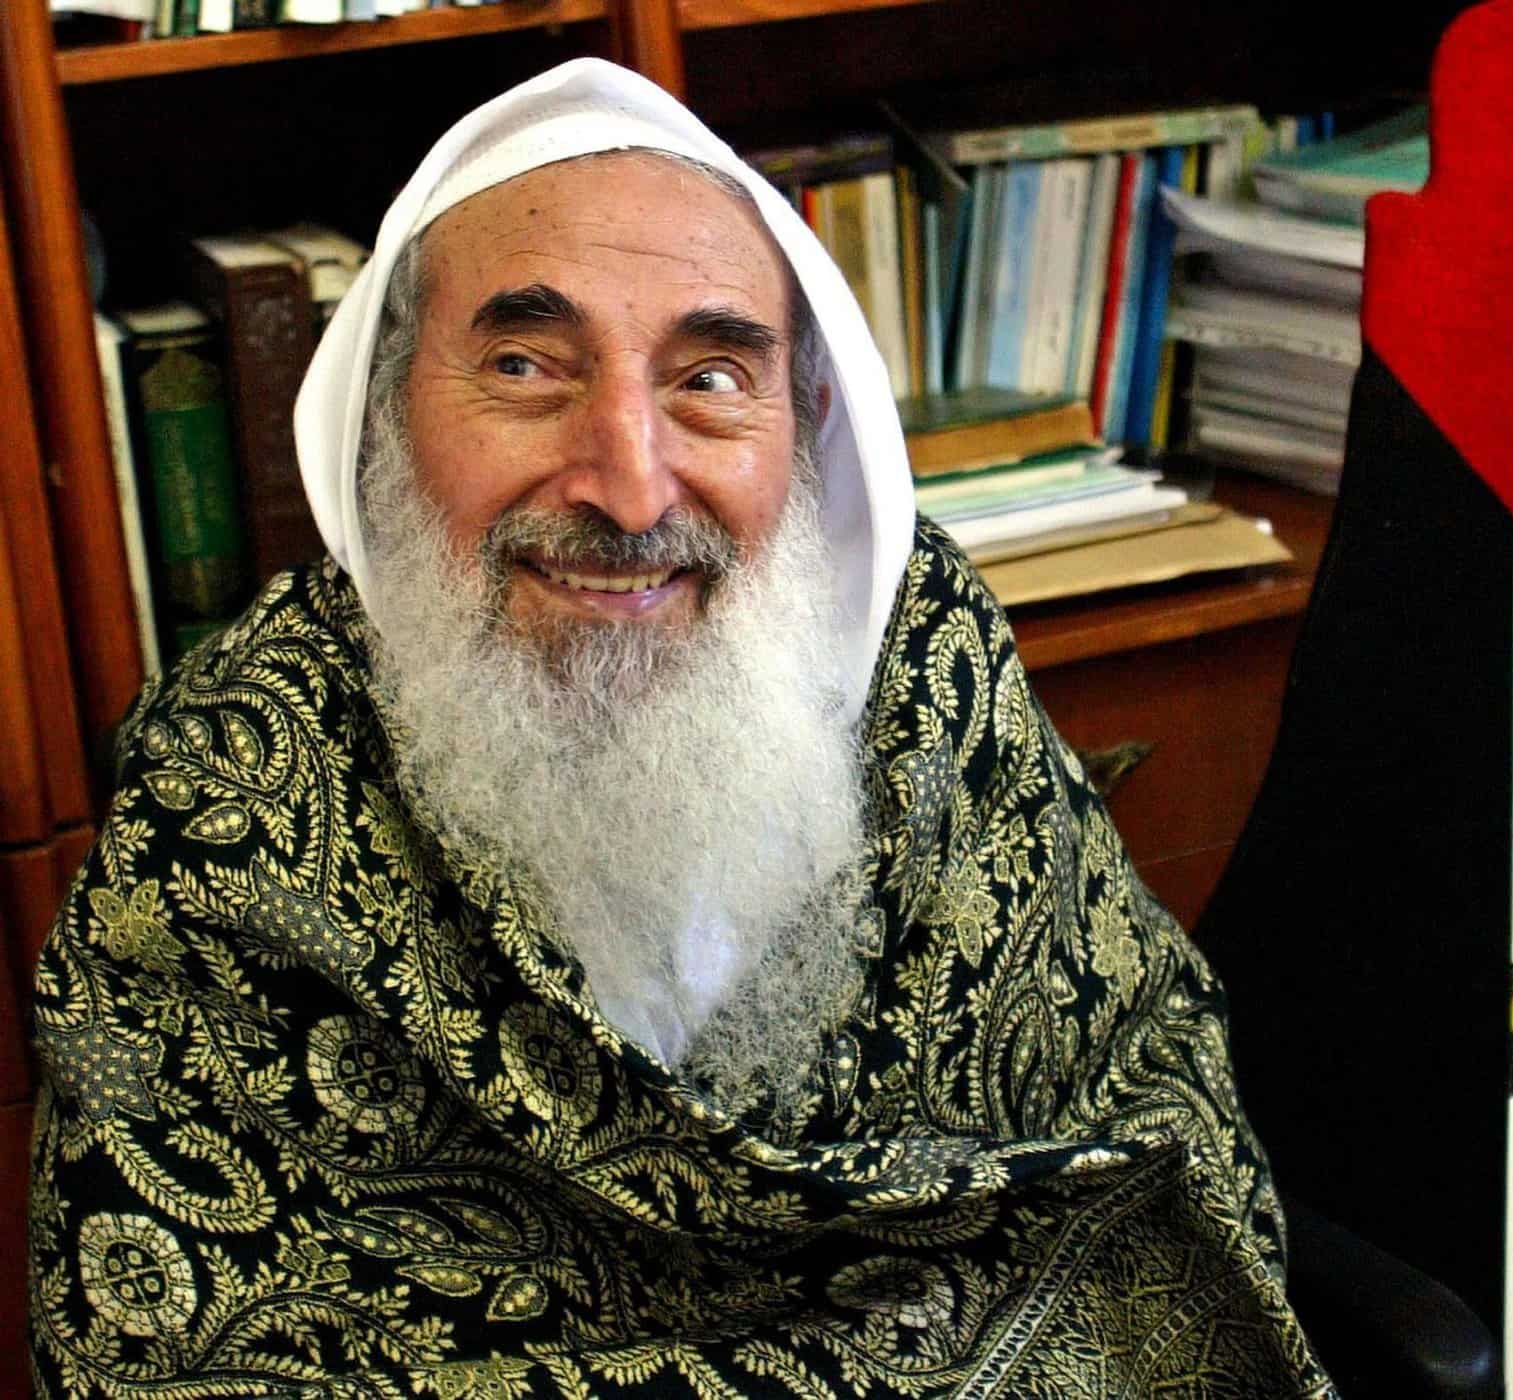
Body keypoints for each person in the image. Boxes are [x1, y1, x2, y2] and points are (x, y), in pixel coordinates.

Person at [29, 59, 1332, 1397]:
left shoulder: (926, 658)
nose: (633, 487)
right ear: (387, 411)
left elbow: (1148, 1108)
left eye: (710, 378)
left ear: (803, 426)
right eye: (525, 367)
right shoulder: (233, 788)